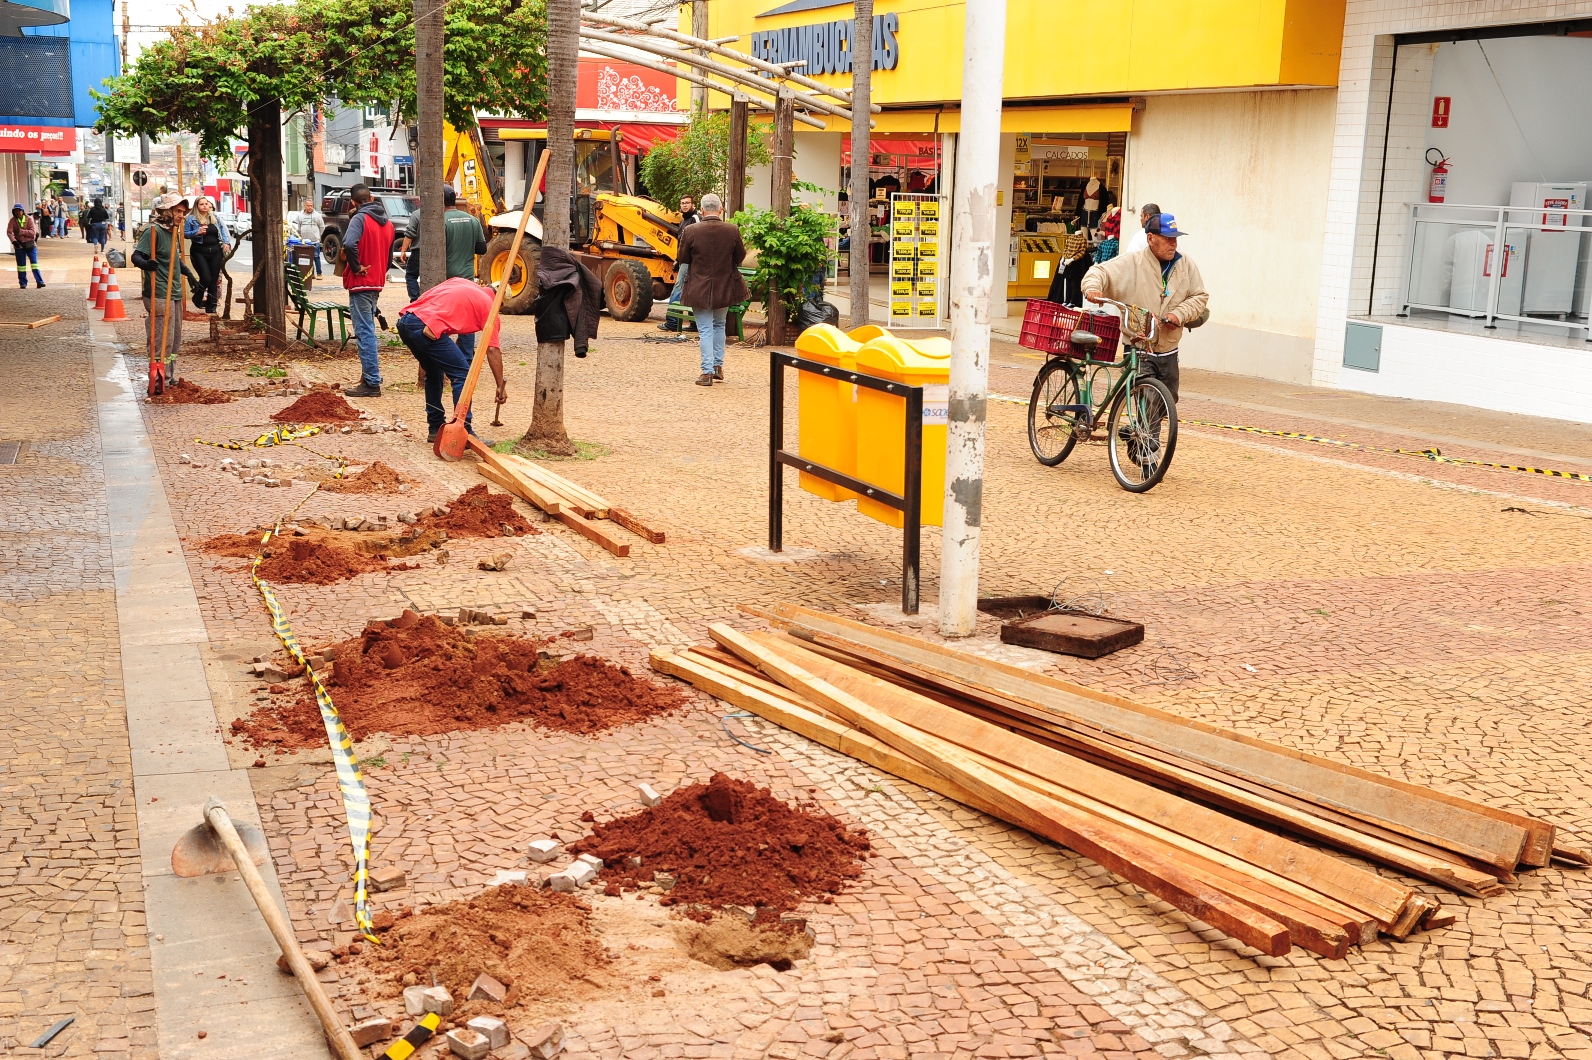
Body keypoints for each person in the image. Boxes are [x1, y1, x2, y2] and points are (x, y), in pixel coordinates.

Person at [1080, 211, 1207, 404]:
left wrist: (1179, 314)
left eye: (1175, 238)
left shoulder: (1185, 264)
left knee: (1167, 403)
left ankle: (1136, 431)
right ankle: (1143, 432)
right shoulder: (1133, 262)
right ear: (1150, 238)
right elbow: (1098, 272)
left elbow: (1199, 296)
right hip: (1139, 346)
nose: (1173, 243)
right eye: (1167, 239)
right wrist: (1093, 289)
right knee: (1146, 404)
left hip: (1169, 349)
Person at [396, 276, 506, 444]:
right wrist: (500, 385)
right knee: (462, 374)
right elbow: (492, 349)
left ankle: (434, 427)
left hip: (406, 322)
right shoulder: (491, 308)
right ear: (501, 302)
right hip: (424, 326)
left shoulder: (463, 283)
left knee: (433, 372)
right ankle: (464, 431)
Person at [675, 192, 748, 387]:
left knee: (705, 328)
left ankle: (706, 372)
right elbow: (739, 256)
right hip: (725, 285)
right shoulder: (732, 230)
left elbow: (683, 258)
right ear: (721, 209)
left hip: (699, 285)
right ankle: (718, 367)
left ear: (702, 210)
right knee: (719, 325)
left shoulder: (691, 231)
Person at [133, 193, 201, 384]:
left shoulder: (173, 232)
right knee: (161, 337)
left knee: (174, 339)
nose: (182, 215)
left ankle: (169, 377)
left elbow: (174, 260)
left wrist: (190, 275)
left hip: (175, 292)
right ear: (166, 211)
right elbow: (136, 256)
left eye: (183, 212)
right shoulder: (153, 231)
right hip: (160, 292)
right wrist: (146, 264)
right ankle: (157, 378)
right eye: (178, 211)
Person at [339, 184, 395, 398]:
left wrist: (356, 267)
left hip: (361, 282)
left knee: (364, 332)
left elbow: (349, 243)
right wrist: (379, 271)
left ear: (354, 202)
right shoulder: (388, 224)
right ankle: (368, 377)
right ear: (371, 198)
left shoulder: (359, 219)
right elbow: (389, 257)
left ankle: (371, 382)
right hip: (376, 282)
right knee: (367, 329)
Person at [656, 195, 701, 333]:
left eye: (687, 203)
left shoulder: (695, 219)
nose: (684, 205)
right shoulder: (684, 220)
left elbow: (696, 242)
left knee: (678, 289)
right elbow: (681, 243)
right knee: (691, 291)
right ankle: (694, 323)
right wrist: (678, 259)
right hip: (684, 260)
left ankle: (672, 321)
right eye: (682, 203)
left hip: (691, 261)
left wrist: (684, 259)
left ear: (693, 205)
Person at [184, 196, 232, 314]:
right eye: (202, 204)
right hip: (199, 251)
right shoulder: (191, 219)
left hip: (215, 251)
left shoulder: (214, 217)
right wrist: (197, 232)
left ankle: (211, 307)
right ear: (197, 206)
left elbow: (222, 231)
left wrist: (226, 243)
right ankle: (197, 297)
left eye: (206, 204)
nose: (205, 206)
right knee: (206, 277)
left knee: (213, 280)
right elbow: (185, 234)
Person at [7, 205, 45, 288]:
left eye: (19, 210)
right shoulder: (12, 220)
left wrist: (22, 232)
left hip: (30, 244)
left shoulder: (29, 219)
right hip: (19, 245)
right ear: (14, 212)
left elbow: (33, 232)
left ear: (23, 211)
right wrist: (14, 241)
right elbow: (9, 232)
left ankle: (39, 281)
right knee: (21, 266)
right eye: (16, 211)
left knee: (34, 264)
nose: (18, 212)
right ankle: (23, 283)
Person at [295, 204, 325, 276]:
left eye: (311, 205)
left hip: (315, 241)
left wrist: (318, 236)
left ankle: (319, 273)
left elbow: (322, 227)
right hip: (304, 242)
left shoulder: (317, 215)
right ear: (304, 206)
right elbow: (298, 227)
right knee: (307, 258)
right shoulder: (300, 215)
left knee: (316, 257)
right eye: (308, 205)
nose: (310, 207)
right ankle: (311, 274)